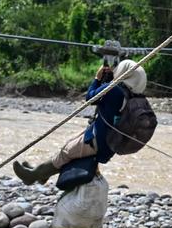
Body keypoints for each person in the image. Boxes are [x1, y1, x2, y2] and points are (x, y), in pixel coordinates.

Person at [12, 59, 147, 185]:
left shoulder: (114, 90)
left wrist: (97, 78)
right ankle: (41, 173)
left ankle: (33, 176)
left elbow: (90, 97)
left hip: (98, 141)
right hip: (110, 144)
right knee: (69, 144)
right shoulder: (134, 96)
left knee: (66, 152)